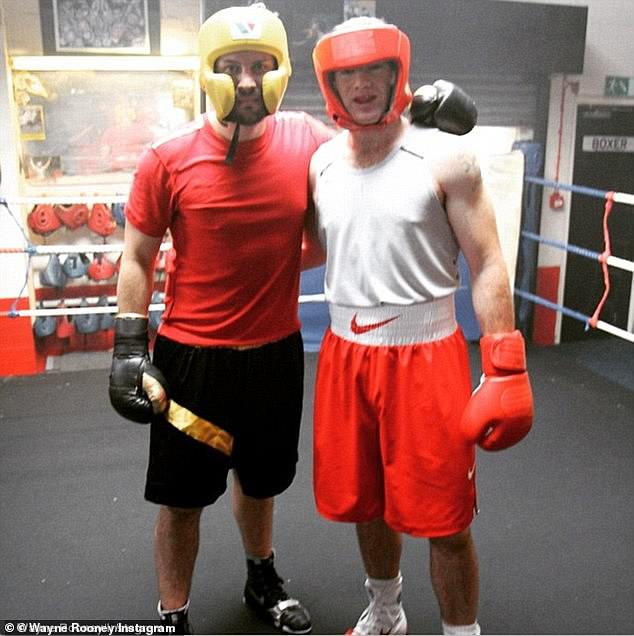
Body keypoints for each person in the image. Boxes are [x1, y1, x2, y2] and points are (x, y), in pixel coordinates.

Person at [108, 3, 476, 633]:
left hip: (275, 351)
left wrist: (423, 108)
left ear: (279, 72)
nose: (247, 81)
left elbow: (370, 140)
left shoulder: (308, 141)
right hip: (191, 355)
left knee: (260, 483)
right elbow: (138, 255)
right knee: (181, 497)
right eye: (233, 67)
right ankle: (170, 614)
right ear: (208, 71)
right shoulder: (166, 158)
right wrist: (127, 344)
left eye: (261, 66)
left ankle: (262, 578)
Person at [307, 16, 534, 636]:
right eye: (346, 72)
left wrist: (504, 366)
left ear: (397, 73)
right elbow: (299, 244)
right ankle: (386, 612)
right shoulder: (321, 164)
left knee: (446, 519)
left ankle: (462, 633)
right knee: (366, 503)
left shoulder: (445, 157)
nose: (360, 84)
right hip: (345, 353)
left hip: (424, 356)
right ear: (329, 82)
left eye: (373, 69)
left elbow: (487, 261)